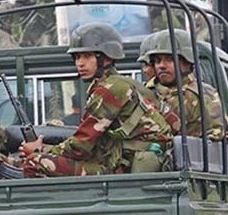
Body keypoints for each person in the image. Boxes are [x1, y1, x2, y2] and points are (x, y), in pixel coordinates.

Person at [21, 23, 173, 177]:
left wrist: (40, 150)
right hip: (123, 163)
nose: (80, 63)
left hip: (124, 169)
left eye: (87, 56)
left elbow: (81, 146)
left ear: (106, 58)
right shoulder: (117, 83)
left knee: (35, 162)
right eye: (77, 57)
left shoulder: (110, 89)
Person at [146, 29, 228, 141]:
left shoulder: (202, 94)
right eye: (157, 61)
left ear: (187, 62)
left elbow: (218, 138)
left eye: (170, 59)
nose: (162, 66)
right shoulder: (146, 93)